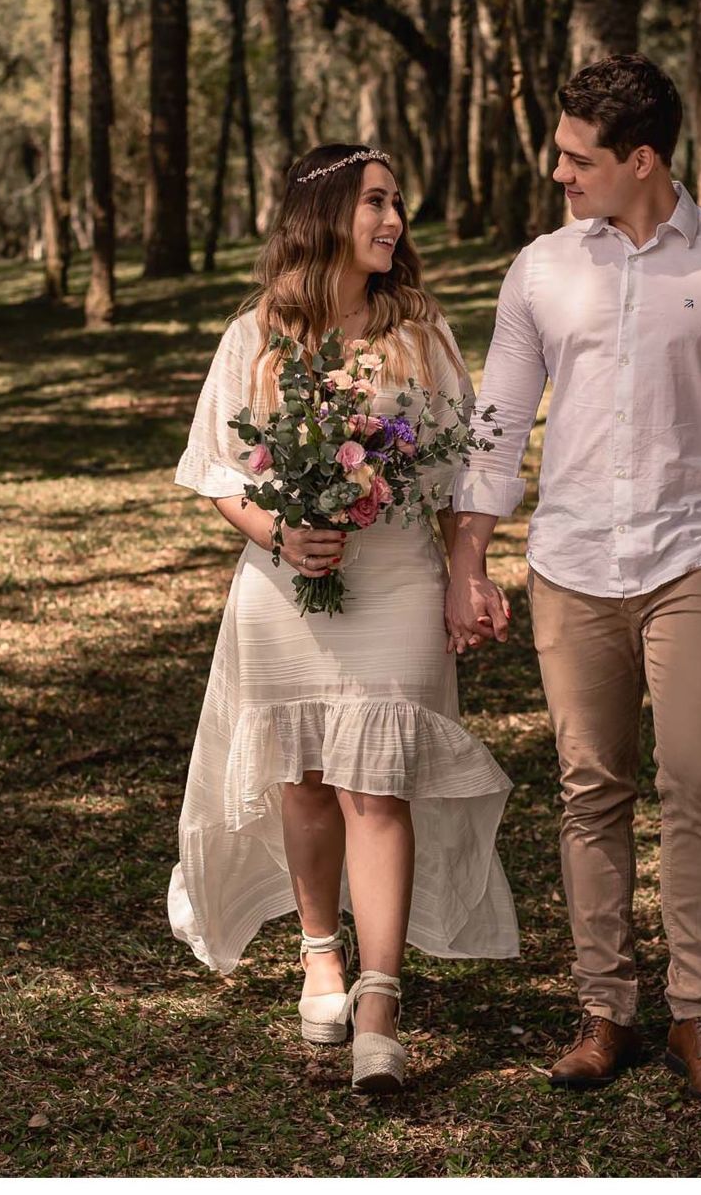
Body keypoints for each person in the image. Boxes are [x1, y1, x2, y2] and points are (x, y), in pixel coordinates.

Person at [444, 55, 701, 1104]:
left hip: (697, 554)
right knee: (589, 788)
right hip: (571, 564)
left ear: (641, 159)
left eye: (577, 158)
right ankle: (605, 1010)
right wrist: (468, 554)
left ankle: (699, 1015)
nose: (558, 173)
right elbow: (497, 426)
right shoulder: (540, 270)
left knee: (699, 782)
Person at [170, 143, 519, 1094]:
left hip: (399, 575)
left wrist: (464, 571)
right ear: (325, 212)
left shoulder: (422, 333)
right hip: (285, 587)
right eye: (375, 201)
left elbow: (463, 469)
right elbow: (214, 469)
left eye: (397, 202)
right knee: (307, 771)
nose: (393, 219)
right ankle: (319, 952)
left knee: (380, 781)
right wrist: (282, 532)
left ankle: (379, 996)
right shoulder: (258, 334)